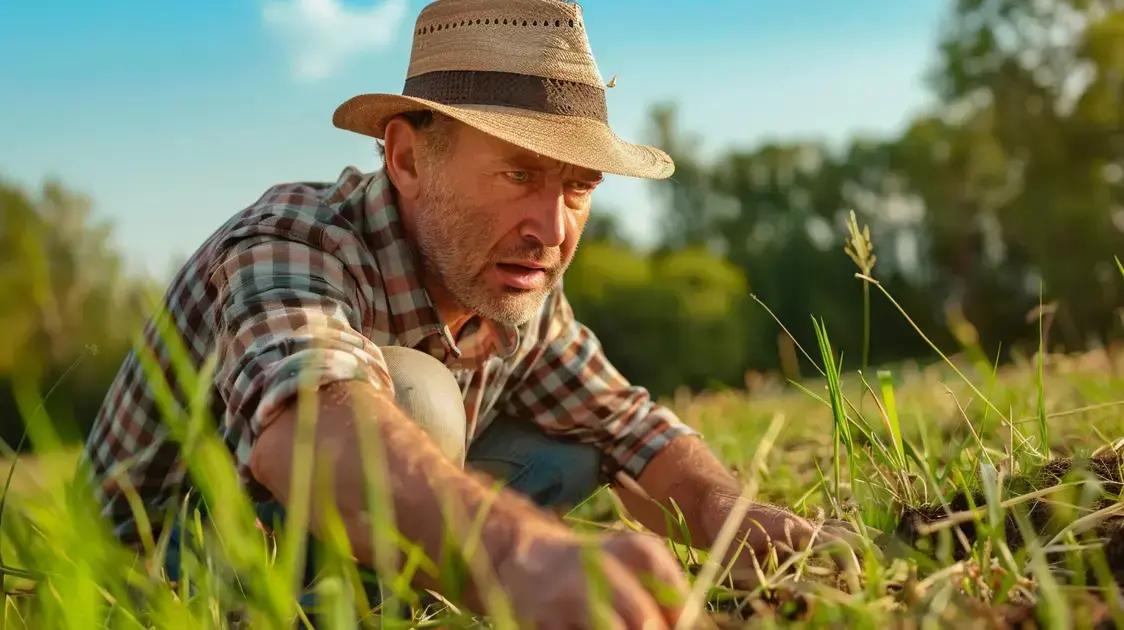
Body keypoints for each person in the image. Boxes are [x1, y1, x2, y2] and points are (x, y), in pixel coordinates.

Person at [83, 0, 856, 626]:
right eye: (518, 174)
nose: (552, 229)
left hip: (316, 544)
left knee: (576, 444)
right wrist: (520, 554)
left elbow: (627, 425)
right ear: (407, 158)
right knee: (414, 395)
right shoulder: (293, 240)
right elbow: (307, 425)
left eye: (577, 189)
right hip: (151, 573)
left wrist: (736, 517)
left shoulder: (514, 282)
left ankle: (399, 594)